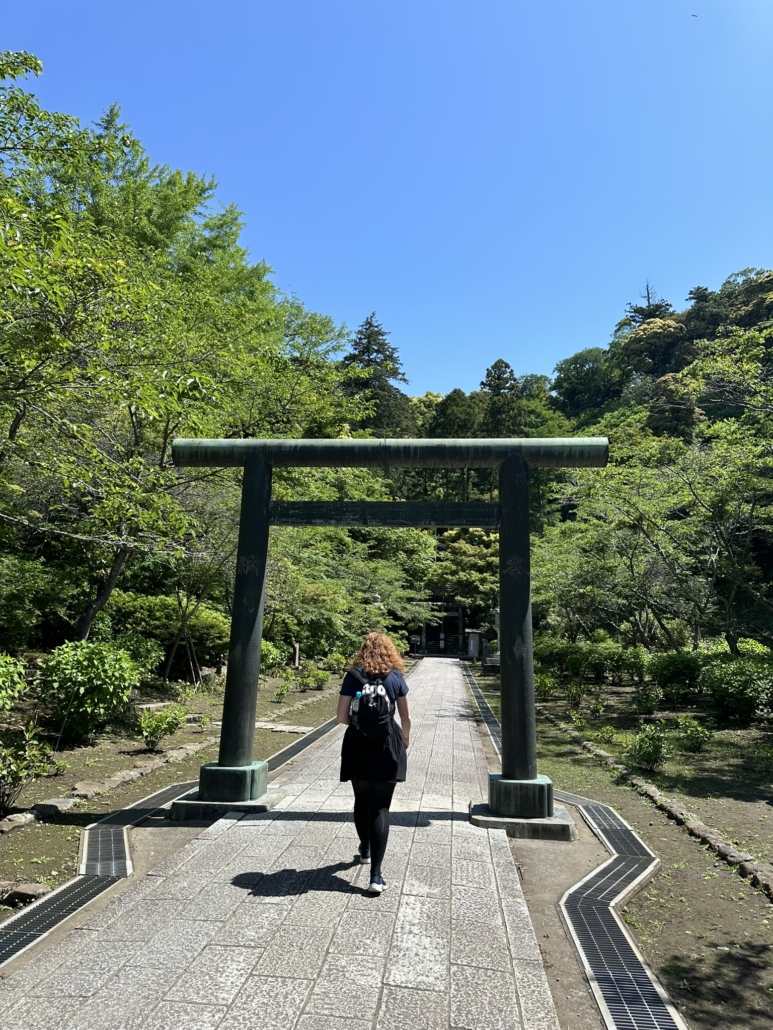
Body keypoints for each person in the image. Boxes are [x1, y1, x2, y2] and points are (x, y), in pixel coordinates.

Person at [336, 632, 411, 894]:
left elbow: (341, 717)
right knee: (380, 808)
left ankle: (364, 849)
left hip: (357, 744)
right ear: (390, 651)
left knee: (361, 800)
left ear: (363, 650)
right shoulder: (395, 677)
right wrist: (405, 738)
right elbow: (405, 716)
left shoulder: (353, 676)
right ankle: (376, 877)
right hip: (386, 746)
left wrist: (362, 723)